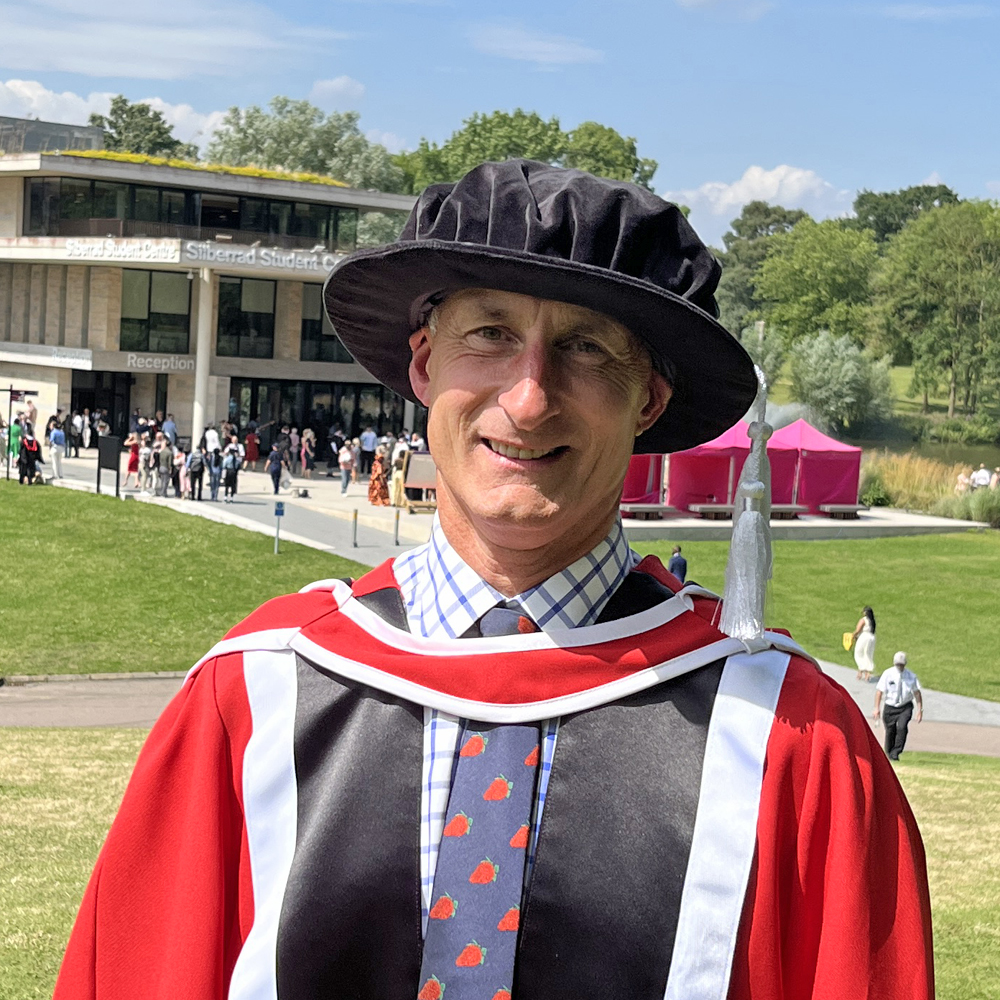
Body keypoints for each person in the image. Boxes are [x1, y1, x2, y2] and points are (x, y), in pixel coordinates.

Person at [55, 160, 933, 1000]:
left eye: (587, 348)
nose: (529, 398)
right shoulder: (253, 701)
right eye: (490, 335)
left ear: (650, 402)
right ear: (424, 363)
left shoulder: (788, 739)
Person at [874, 651, 923, 761]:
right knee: (890, 730)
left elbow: (917, 693)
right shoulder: (888, 674)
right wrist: (876, 708)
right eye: (898, 664)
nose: (899, 667)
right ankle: (889, 751)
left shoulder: (911, 676)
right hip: (890, 706)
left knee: (902, 727)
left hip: (905, 706)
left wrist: (920, 710)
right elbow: (879, 692)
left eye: (901, 664)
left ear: (905, 664)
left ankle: (896, 752)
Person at [852, 605, 877, 682]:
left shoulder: (863, 620)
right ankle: (867, 673)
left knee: (859, 653)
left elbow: (858, 630)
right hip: (871, 637)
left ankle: (861, 670)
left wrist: (853, 635)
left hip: (864, 637)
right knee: (868, 654)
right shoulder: (872, 621)